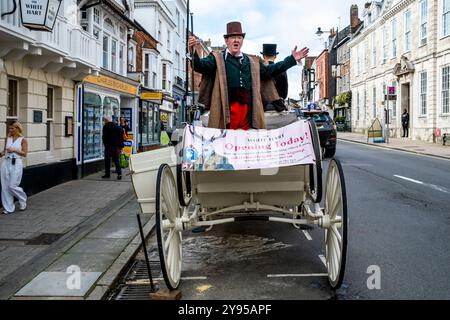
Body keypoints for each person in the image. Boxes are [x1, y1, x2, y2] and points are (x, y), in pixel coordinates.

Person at [189, 21, 308, 130]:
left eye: (239, 37)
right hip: (225, 113)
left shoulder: (251, 61)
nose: (236, 40)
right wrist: (192, 51)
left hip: (248, 114)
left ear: (242, 41)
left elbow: (270, 70)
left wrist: (291, 59)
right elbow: (200, 66)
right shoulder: (217, 58)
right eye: (233, 37)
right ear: (226, 41)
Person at [0, 121, 28, 214]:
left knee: (12, 186)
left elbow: (24, 154)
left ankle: (22, 199)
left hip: (16, 163)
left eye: (12, 128)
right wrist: (1, 154)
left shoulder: (23, 140)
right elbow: (5, 151)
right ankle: (8, 208)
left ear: (17, 128)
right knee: (5, 187)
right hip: (6, 162)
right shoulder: (7, 139)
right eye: (10, 128)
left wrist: (15, 150)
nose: (10, 130)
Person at [261, 43, 289, 112]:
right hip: (278, 107)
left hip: (262, 107)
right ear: (275, 56)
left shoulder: (258, 70)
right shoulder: (282, 71)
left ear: (263, 56)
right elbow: (284, 94)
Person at [102, 116, 123, 180]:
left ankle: (107, 174)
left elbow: (104, 137)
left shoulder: (106, 126)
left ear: (106, 120)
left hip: (108, 146)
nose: (104, 122)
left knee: (107, 160)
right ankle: (119, 174)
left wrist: (105, 144)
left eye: (104, 120)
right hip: (115, 146)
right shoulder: (117, 127)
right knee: (116, 160)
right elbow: (120, 136)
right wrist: (119, 145)